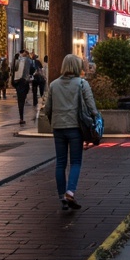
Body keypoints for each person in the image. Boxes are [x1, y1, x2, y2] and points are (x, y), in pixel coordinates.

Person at [45, 54, 101, 210]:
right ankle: (70, 192)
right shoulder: (82, 84)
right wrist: (96, 119)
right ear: (77, 67)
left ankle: (61, 195)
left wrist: (54, 120)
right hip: (75, 128)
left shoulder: (54, 85)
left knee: (60, 163)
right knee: (75, 161)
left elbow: (47, 108)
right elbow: (91, 106)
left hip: (58, 128)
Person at [12, 49, 33, 125]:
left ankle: (21, 117)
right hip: (24, 82)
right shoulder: (28, 60)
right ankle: (21, 117)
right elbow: (32, 69)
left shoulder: (16, 60)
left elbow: (13, 70)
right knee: (22, 100)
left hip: (18, 82)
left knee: (20, 101)